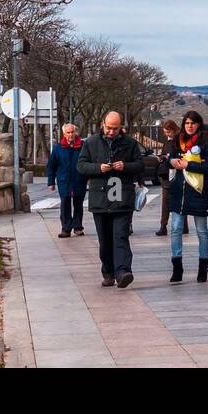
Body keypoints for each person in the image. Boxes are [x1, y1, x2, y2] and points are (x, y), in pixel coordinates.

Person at [77, 111, 143, 288]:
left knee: (120, 237)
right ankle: (108, 272)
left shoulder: (130, 144)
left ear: (121, 127)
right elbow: (81, 166)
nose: (112, 132)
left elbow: (139, 165)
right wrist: (98, 168)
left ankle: (123, 272)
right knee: (105, 240)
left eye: (116, 128)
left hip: (123, 199)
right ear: (102, 124)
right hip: (100, 200)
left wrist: (125, 166)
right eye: (109, 128)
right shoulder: (90, 143)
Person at [166, 110, 208, 284]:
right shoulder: (177, 140)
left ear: (198, 124)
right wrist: (172, 162)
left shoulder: (207, 141)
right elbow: (169, 158)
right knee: (175, 228)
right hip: (178, 190)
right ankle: (177, 266)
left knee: (201, 230)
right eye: (187, 123)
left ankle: (203, 266)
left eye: (193, 123)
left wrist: (190, 165)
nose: (190, 126)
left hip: (198, 190)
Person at [46, 123, 87, 238]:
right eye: (68, 132)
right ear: (64, 134)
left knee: (78, 204)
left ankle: (78, 227)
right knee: (65, 205)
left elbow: (88, 162)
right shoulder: (58, 148)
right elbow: (51, 166)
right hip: (64, 181)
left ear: (75, 132)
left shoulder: (83, 146)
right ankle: (66, 229)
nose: (70, 134)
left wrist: (89, 177)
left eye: (72, 132)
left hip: (79, 180)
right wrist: (51, 182)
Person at [155, 120, 189, 238]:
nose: (167, 134)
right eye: (165, 132)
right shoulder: (168, 142)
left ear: (174, 130)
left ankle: (183, 227)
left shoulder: (181, 141)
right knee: (166, 202)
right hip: (167, 176)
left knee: (180, 201)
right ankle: (164, 226)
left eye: (168, 132)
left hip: (178, 175)